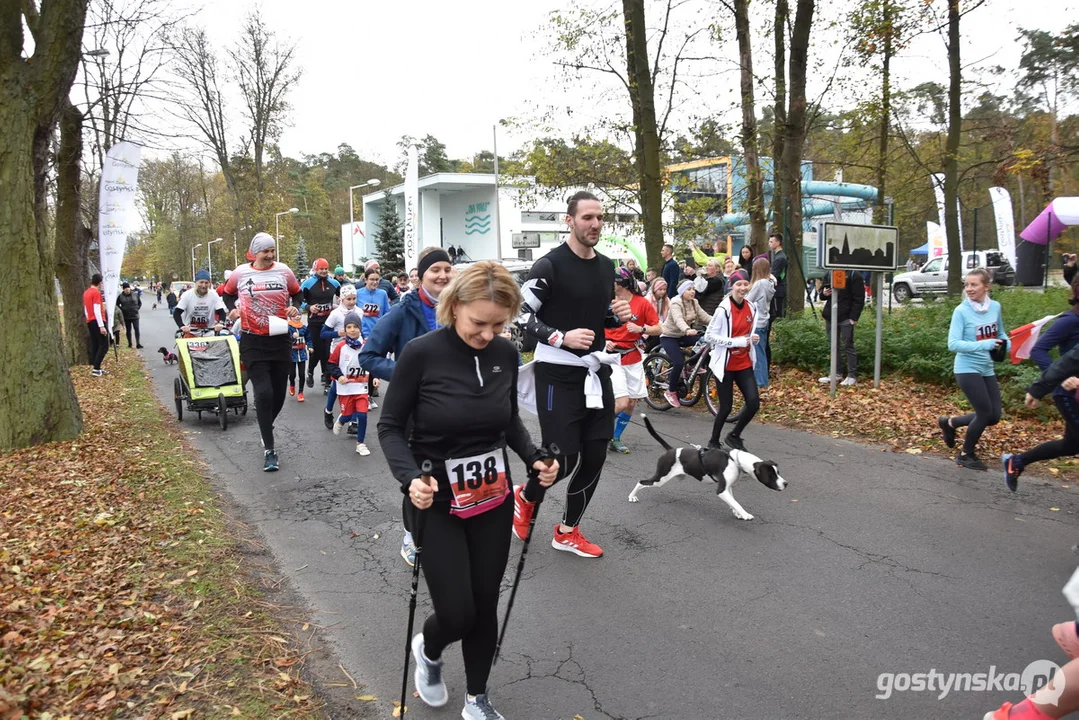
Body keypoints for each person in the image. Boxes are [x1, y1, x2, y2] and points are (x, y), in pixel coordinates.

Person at [378, 262, 558, 720]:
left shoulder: (505, 353)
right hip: (435, 499)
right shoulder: (421, 354)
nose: (488, 333)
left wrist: (533, 455)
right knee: (457, 613)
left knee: (484, 603)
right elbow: (391, 426)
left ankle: (477, 698)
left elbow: (508, 419)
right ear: (454, 307)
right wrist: (409, 478)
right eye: (479, 322)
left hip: (491, 498)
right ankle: (430, 647)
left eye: (499, 324)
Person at [514, 190, 632, 559]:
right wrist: (559, 337)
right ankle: (526, 496)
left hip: (595, 372)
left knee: (595, 456)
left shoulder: (606, 266)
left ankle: (567, 531)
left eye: (599, 218)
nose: (595, 224)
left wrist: (617, 317)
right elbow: (520, 314)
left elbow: (597, 316)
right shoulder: (549, 266)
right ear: (570, 220)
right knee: (560, 460)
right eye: (587, 218)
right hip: (557, 373)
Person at [361, 247, 455, 566]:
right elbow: (369, 356)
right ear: (421, 277)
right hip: (416, 410)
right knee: (419, 476)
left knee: (450, 472)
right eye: (434, 271)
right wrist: (408, 376)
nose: (442, 275)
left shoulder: (461, 306)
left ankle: (444, 529)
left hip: (457, 408)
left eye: (447, 269)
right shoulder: (405, 310)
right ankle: (411, 536)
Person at [222, 233, 302, 472]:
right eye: (265, 251)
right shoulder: (240, 273)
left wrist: (294, 307)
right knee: (264, 394)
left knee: (278, 395)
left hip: (279, 339)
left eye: (272, 251)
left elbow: (297, 293)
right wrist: (231, 310)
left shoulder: (284, 271)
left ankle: (266, 425)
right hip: (252, 340)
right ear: (254, 253)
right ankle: (270, 450)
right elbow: (226, 293)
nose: (270, 255)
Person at [1003, 280, 1079, 490]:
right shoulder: (1069, 320)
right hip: (1068, 391)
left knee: (1070, 445)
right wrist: (1057, 380)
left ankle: (1017, 461)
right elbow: (1039, 350)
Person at [937, 268, 1008, 471]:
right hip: (966, 367)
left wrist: (1007, 344)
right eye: (966, 285)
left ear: (986, 286)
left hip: (987, 366)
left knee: (994, 416)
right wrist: (985, 344)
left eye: (974, 284)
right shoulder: (961, 311)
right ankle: (966, 454)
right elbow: (953, 344)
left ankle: (950, 423)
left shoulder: (995, 307)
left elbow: (1000, 332)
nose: (969, 289)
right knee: (984, 413)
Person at [605, 267, 661, 453]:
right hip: (612, 358)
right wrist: (605, 341)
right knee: (621, 402)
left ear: (621, 283)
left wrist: (641, 329)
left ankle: (615, 437)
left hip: (633, 356)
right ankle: (596, 431)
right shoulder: (606, 302)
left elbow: (658, 328)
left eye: (612, 281)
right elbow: (593, 326)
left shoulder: (642, 303)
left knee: (630, 403)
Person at [704, 273, 761, 450]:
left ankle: (734, 435)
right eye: (739, 285)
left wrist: (752, 338)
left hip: (744, 362)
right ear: (731, 286)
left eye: (745, 284)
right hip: (725, 366)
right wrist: (735, 341)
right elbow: (710, 336)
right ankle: (713, 441)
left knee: (753, 403)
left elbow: (747, 332)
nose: (743, 288)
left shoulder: (752, 307)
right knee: (726, 407)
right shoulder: (723, 309)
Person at [658, 280, 712, 408]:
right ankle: (671, 391)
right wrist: (687, 329)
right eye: (689, 289)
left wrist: (720, 322)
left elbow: (704, 316)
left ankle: (691, 366)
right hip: (669, 336)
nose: (692, 291)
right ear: (682, 291)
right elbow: (678, 319)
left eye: (693, 289)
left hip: (683, 335)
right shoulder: (676, 302)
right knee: (678, 362)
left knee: (704, 342)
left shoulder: (694, 302)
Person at [328, 311, 374, 456]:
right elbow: (331, 364)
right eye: (349, 327)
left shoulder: (366, 346)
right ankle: (342, 420)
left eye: (355, 326)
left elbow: (373, 363)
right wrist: (339, 376)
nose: (352, 330)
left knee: (362, 415)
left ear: (360, 328)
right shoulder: (341, 347)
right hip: (345, 389)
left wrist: (376, 377)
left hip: (361, 388)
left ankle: (360, 443)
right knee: (347, 415)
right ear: (345, 330)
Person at [321, 284, 363, 427]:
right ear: (342, 299)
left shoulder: (359, 312)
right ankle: (328, 411)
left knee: (356, 383)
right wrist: (337, 333)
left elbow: (362, 331)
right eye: (348, 299)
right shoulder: (336, 314)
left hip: (355, 350)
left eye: (354, 298)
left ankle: (353, 421)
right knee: (336, 384)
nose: (351, 302)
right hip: (339, 351)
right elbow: (323, 333)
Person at [818, 270, 865, 387]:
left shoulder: (854, 274)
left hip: (846, 317)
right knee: (833, 346)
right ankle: (836, 373)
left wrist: (853, 317)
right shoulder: (830, 273)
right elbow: (822, 294)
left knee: (848, 345)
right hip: (831, 316)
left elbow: (859, 298)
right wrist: (824, 293)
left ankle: (851, 375)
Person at [300, 258, 341, 390]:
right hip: (314, 322)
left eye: (325, 269)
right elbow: (298, 301)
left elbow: (342, 297)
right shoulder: (307, 284)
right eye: (321, 269)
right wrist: (309, 307)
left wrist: (340, 305)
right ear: (315, 269)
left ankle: (326, 378)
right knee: (315, 351)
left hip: (329, 322)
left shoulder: (334, 283)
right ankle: (310, 372)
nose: (323, 271)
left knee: (327, 351)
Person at [745, 258, 776, 388]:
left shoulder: (760, 284)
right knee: (761, 350)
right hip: (764, 319)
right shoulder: (770, 283)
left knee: (758, 353)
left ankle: (761, 382)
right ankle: (759, 379)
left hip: (756, 322)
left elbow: (748, 300)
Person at [173, 271, 227, 335]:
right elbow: (177, 313)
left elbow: (221, 312)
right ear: (196, 282)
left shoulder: (213, 295)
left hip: (208, 332)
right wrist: (182, 326)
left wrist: (220, 323)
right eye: (201, 282)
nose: (203, 285)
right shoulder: (187, 295)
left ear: (209, 284)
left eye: (206, 283)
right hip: (190, 332)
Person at [83, 273, 109, 377]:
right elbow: (97, 309)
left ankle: (96, 366)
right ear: (99, 282)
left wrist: (88, 318)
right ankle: (96, 368)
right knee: (104, 345)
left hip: (90, 320)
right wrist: (101, 325)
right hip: (97, 320)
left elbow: (86, 309)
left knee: (95, 344)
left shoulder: (86, 293)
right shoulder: (96, 293)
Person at [356, 268, 391, 341]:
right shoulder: (357, 293)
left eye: (377, 279)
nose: (375, 282)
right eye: (372, 279)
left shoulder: (383, 294)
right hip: (361, 334)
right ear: (366, 280)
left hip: (378, 333)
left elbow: (387, 314)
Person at [287, 318, 310, 402]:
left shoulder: (304, 327)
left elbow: (308, 338)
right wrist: (292, 337)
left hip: (302, 354)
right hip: (292, 354)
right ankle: (292, 385)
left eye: (299, 315)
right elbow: (285, 340)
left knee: (302, 374)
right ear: (291, 317)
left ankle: (300, 392)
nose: (297, 317)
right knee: (292, 374)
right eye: (295, 315)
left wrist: (310, 346)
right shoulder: (288, 328)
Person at [116, 282, 143, 349]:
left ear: (130, 288)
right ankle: (130, 343)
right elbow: (117, 305)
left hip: (135, 315)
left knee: (136, 329)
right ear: (123, 289)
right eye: (125, 288)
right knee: (128, 330)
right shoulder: (120, 296)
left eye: (128, 288)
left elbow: (139, 303)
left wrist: (137, 308)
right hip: (126, 316)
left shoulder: (135, 294)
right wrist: (122, 310)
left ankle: (138, 343)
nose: (127, 289)